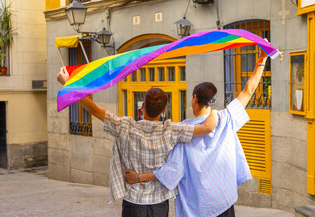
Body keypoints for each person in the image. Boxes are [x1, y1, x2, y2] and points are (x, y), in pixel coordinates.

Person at [56, 69, 219, 217]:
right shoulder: (172, 130)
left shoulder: (124, 127)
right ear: (164, 111)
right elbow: (208, 127)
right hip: (159, 203)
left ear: (142, 107)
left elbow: (93, 109)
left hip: (133, 203)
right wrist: (216, 111)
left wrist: (68, 84)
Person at [125, 49, 269, 217]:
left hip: (199, 208)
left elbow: (171, 171)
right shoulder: (225, 118)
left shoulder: (183, 131)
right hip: (224, 202)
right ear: (211, 101)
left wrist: (139, 177)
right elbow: (248, 90)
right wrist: (262, 58)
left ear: (194, 98)